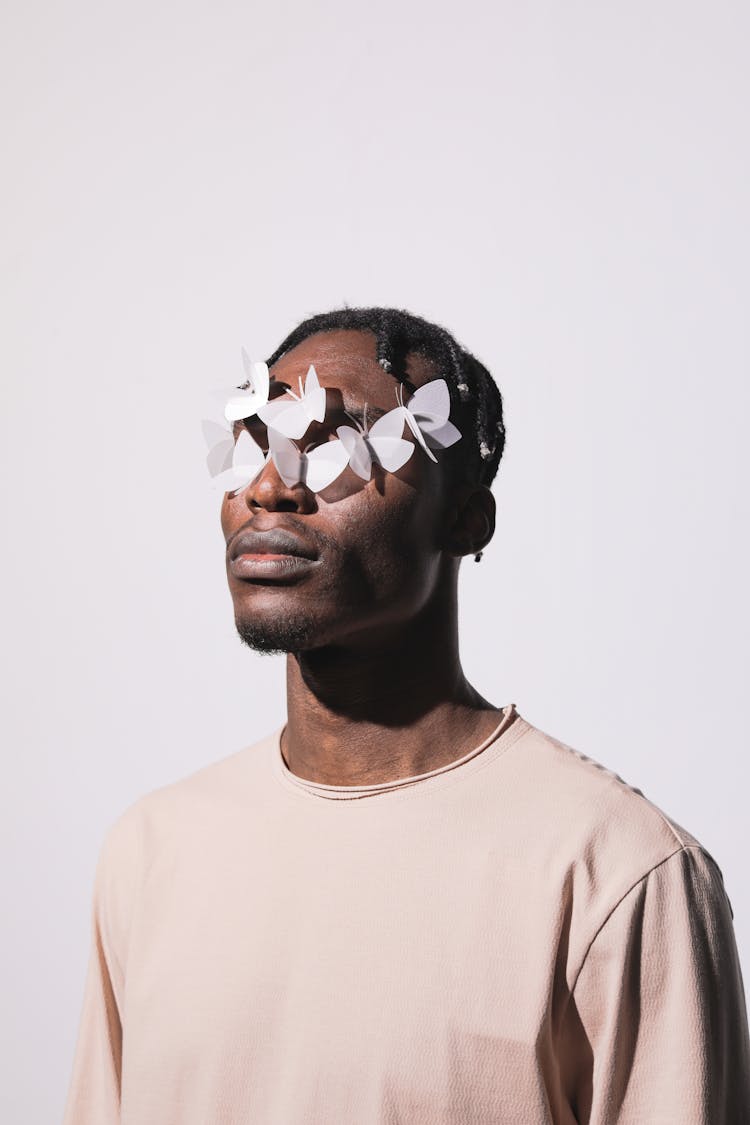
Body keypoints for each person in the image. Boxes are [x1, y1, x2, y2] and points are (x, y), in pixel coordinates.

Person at [63, 308, 750, 1124]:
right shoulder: (152, 849)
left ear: (466, 522)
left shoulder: (618, 873)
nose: (270, 485)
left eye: (341, 447)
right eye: (260, 437)